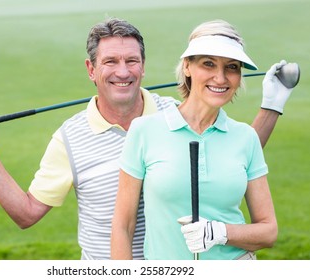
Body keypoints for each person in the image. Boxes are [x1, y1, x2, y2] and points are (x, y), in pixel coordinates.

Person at [0, 18, 290, 260]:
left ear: (144, 67)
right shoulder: (71, 137)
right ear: (91, 70)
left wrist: (271, 106)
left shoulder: (174, 111)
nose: (123, 72)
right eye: (110, 62)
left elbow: (232, 158)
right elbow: (26, 214)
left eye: (132, 61)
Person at [111, 19, 281, 260]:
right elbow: (122, 225)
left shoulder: (246, 137)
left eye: (231, 67)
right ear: (187, 67)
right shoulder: (144, 131)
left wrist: (220, 232)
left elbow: (268, 231)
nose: (220, 78)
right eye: (208, 64)